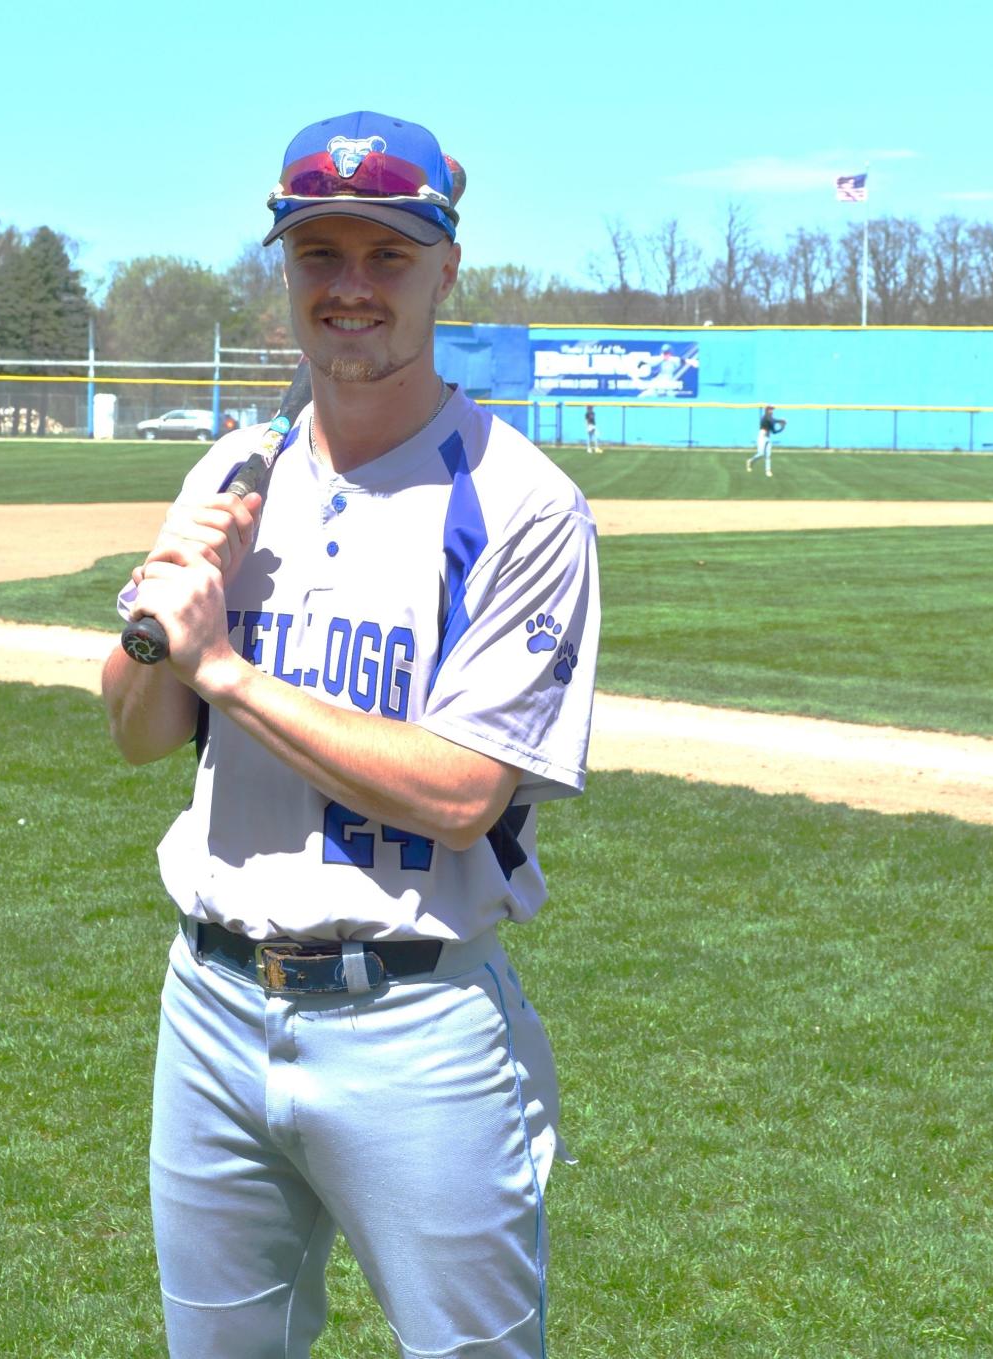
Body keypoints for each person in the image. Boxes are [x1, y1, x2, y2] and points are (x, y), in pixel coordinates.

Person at [101, 109, 600, 1359]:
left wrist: (228, 668)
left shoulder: (523, 505)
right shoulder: (234, 469)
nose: (352, 287)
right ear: (286, 272)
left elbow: (459, 793)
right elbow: (137, 731)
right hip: (209, 1007)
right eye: (321, 255)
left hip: (412, 1026)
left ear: (447, 267)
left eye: (388, 255)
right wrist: (164, 624)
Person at [747, 403, 786, 476]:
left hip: (768, 437)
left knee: (768, 454)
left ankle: (768, 470)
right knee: (761, 453)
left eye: (772, 409)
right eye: (770, 409)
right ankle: (750, 461)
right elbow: (773, 424)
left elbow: (774, 427)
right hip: (762, 436)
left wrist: (781, 425)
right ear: (767, 410)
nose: (772, 410)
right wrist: (782, 423)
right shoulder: (765, 417)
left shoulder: (771, 418)